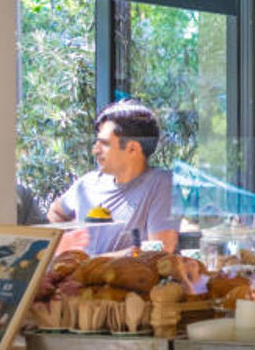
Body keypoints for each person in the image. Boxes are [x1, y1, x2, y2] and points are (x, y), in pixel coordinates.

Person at [48, 100, 179, 256]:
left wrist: (93, 263)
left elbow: (160, 250)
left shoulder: (161, 184)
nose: (95, 150)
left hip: (123, 273)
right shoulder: (87, 184)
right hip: (81, 272)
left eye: (104, 144)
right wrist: (67, 244)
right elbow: (56, 213)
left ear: (132, 149)